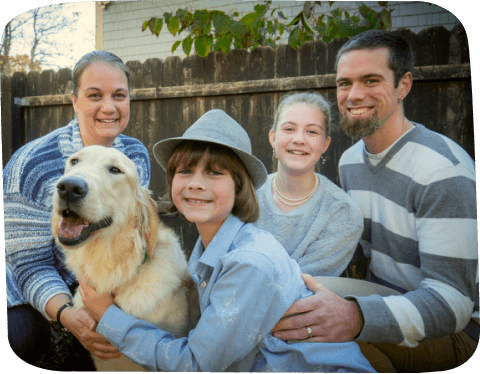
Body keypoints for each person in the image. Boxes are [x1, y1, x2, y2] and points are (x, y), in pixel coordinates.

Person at [78, 109, 376, 372]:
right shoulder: (211, 249)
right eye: (185, 171)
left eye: (213, 172)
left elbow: (195, 365)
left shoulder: (249, 262)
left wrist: (107, 316)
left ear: (239, 186)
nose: (196, 183)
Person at [271, 30, 478, 372]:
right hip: (382, 299)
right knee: (289, 305)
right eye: (344, 83)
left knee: (305, 326)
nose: (354, 95)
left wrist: (355, 316)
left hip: (456, 331)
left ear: (403, 86)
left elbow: (452, 304)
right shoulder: (351, 161)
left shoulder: (442, 171)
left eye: (370, 80)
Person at [5, 50, 151, 367]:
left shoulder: (134, 157)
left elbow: (132, 233)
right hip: (25, 272)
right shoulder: (32, 164)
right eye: (94, 95)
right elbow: (29, 264)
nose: (109, 107)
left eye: (119, 96)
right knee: (21, 338)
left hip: (98, 272)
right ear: (74, 100)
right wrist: (68, 315)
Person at [255, 91, 364, 276]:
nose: (299, 140)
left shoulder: (342, 212)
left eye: (312, 132)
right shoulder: (246, 195)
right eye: (289, 129)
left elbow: (304, 286)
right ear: (273, 137)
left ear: (324, 144)